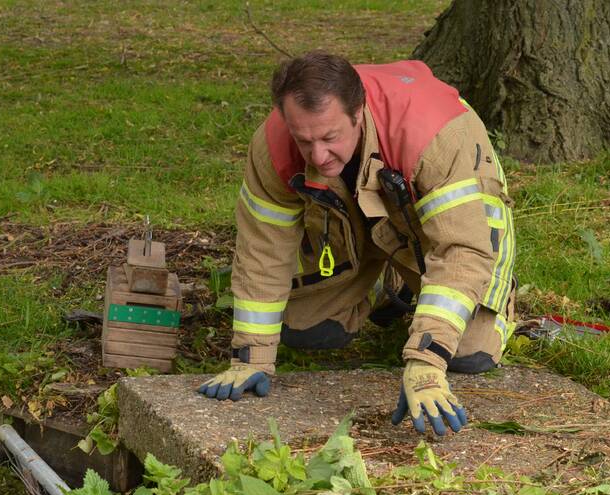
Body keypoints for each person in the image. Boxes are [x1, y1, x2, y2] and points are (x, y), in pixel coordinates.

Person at [197, 52, 515, 436]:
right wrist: (251, 356)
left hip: (451, 225)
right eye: (305, 141)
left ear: (358, 112)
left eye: (330, 138)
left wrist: (427, 361)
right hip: (353, 217)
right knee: (305, 331)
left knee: (468, 354)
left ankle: (437, 292)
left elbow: (462, 250)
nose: (318, 156)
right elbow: (261, 250)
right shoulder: (274, 145)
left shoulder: (433, 136)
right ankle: (386, 285)